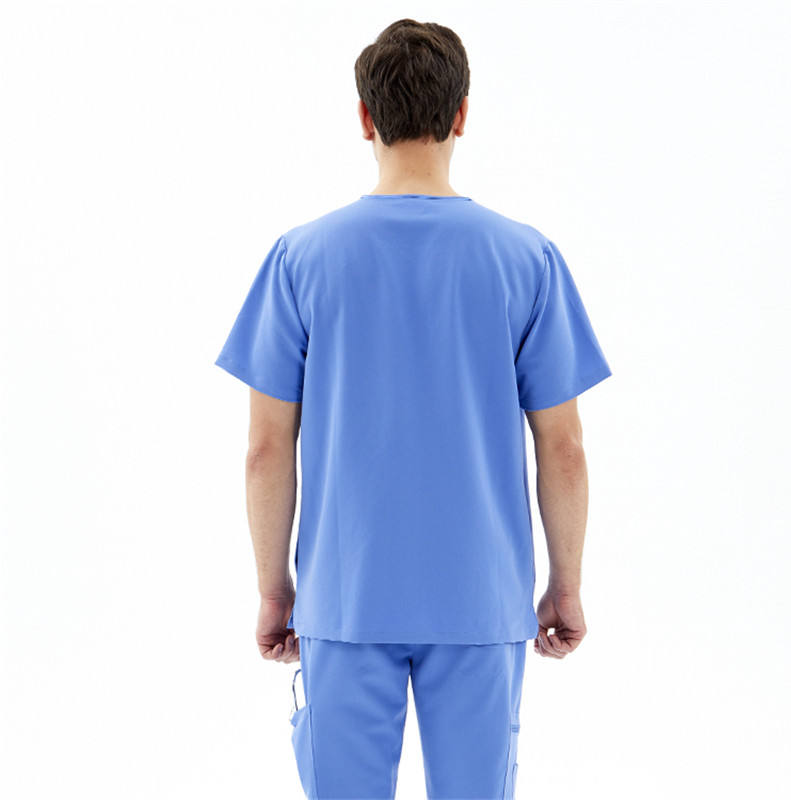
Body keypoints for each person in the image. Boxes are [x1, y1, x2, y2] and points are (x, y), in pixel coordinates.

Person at [214, 17, 612, 800]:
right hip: (480, 599)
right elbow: (562, 448)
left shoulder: (300, 260)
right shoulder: (526, 259)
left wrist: (274, 590)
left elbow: (266, 448)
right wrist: (565, 584)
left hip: (346, 596)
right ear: (462, 114)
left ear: (365, 118)